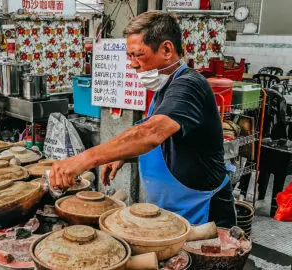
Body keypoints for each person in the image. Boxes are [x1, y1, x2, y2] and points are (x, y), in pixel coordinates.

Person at [49, 11, 237, 228]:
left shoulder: (189, 86)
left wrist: (82, 161)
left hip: (202, 212)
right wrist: (122, 156)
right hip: (170, 210)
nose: (133, 64)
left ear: (167, 49)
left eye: (138, 55)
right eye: (129, 56)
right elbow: (167, 145)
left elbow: (151, 133)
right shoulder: (163, 88)